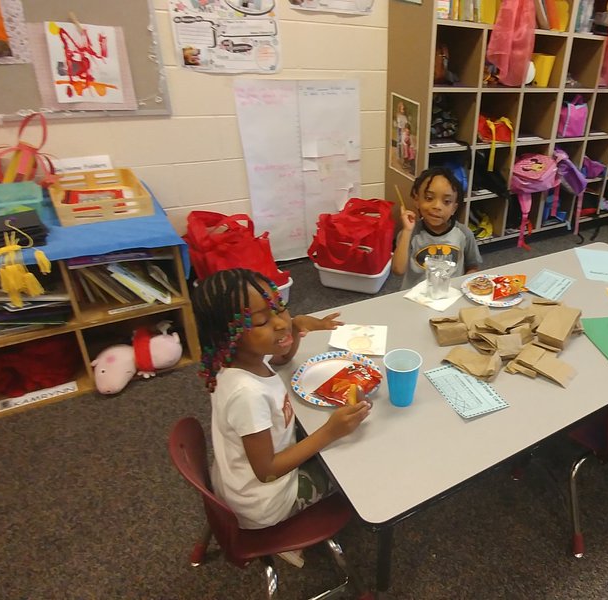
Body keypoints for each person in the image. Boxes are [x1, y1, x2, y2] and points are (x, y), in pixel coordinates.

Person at [192, 269, 371, 565]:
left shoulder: (239, 358)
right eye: (262, 320)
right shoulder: (246, 394)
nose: (279, 321)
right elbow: (267, 470)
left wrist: (296, 328)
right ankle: (285, 536)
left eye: (279, 307)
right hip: (268, 500)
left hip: (241, 479)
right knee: (351, 463)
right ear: (228, 336)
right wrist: (330, 432)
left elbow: (282, 359)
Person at [392, 166, 483, 289]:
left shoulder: (464, 234)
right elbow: (398, 270)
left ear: (454, 208)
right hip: (416, 298)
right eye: (429, 198)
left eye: (446, 201)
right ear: (417, 200)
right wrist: (407, 231)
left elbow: (473, 266)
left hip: (450, 297)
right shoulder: (410, 233)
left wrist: (465, 285)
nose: (437, 206)